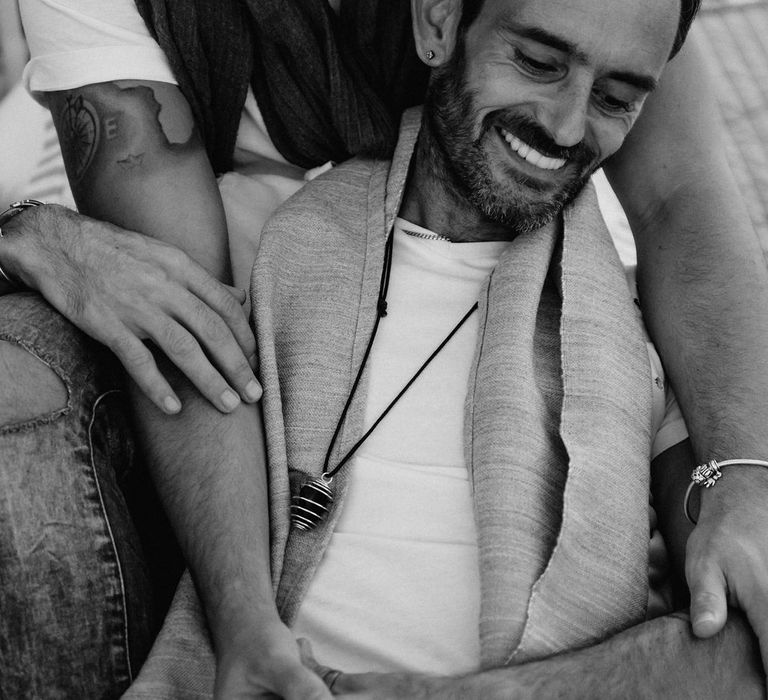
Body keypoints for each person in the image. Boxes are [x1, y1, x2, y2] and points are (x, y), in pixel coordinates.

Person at [1, 0, 768, 696]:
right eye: (536, 64)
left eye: (614, 99)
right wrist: (243, 628)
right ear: (435, 25)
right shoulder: (282, 258)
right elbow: (184, 325)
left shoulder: (634, 344)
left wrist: (743, 477)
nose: (567, 128)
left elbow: (737, 643)